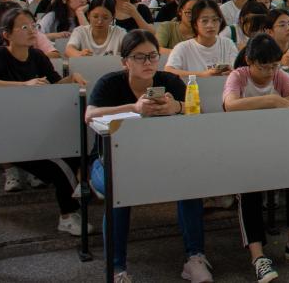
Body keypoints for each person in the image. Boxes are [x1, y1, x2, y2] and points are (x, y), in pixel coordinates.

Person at [85, 30, 211, 283]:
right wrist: (133, 108)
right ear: (125, 61)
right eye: (139, 57)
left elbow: (198, 111)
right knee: (119, 187)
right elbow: (90, 115)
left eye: (152, 56)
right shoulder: (110, 83)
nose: (148, 62)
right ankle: (117, 268)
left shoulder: (170, 81)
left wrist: (176, 106)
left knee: (189, 182)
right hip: (109, 162)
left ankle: (194, 257)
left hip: (160, 159)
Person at [0, 8, 93, 237]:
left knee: (76, 153)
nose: (32, 31)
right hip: (8, 135)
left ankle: (71, 210)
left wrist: (72, 78)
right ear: (7, 34)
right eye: (24, 27)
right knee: (61, 167)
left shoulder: (38, 56)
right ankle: (69, 215)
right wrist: (23, 85)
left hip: (38, 130)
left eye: (33, 26)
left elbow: (55, 86)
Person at [221, 34, 289, 283]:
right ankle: (258, 256)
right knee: (249, 189)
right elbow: (230, 104)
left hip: (277, 144)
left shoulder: (279, 75)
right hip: (244, 148)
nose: (269, 72)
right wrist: (272, 99)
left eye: (274, 66)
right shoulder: (238, 76)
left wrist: (275, 97)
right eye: (263, 66)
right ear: (249, 61)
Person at [165, 0, 238, 78]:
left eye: (215, 20)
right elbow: (168, 71)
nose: (210, 25)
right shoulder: (182, 48)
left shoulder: (227, 44)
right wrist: (203, 75)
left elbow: (238, 69)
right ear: (195, 24)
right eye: (204, 21)